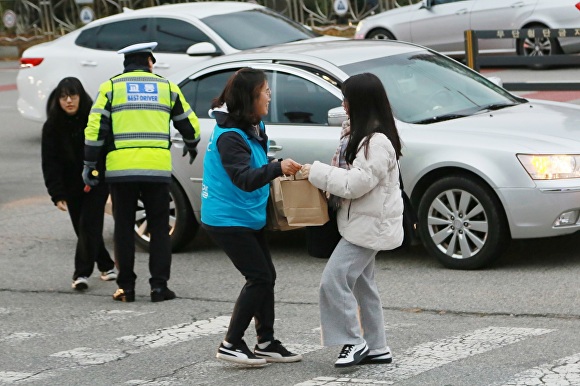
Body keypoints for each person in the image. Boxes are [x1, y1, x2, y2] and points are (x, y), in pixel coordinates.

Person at [83, 42, 201, 303]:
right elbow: (189, 122)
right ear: (150, 61)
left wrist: (89, 164)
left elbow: (94, 129)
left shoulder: (111, 87)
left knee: (124, 228)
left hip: (121, 172)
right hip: (156, 170)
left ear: (125, 63)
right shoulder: (166, 87)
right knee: (159, 229)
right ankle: (159, 288)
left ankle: (126, 288)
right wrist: (191, 144)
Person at [301, 72, 404, 368]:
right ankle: (378, 347)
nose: (343, 104)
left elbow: (354, 184)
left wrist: (315, 172)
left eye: (347, 99)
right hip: (364, 222)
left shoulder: (376, 142)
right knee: (363, 286)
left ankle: (354, 341)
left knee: (333, 281)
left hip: (369, 226)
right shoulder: (361, 135)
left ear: (360, 102)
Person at [201, 68, 303, 366]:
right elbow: (243, 178)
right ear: (250, 97)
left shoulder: (249, 126)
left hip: (247, 214)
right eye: (264, 91)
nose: (269, 96)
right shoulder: (230, 135)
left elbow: (254, 162)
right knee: (258, 277)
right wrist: (276, 168)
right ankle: (231, 343)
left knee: (266, 276)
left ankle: (266, 341)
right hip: (227, 218)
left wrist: (277, 164)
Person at [41, 77, 117, 291]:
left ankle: (81, 273)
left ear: (80, 96)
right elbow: (50, 162)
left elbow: (105, 150)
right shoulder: (52, 126)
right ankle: (106, 265)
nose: (68, 101)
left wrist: (105, 177)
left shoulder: (94, 119)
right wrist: (56, 194)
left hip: (96, 181)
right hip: (70, 185)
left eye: (72, 96)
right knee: (82, 228)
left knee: (89, 224)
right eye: (63, 97)